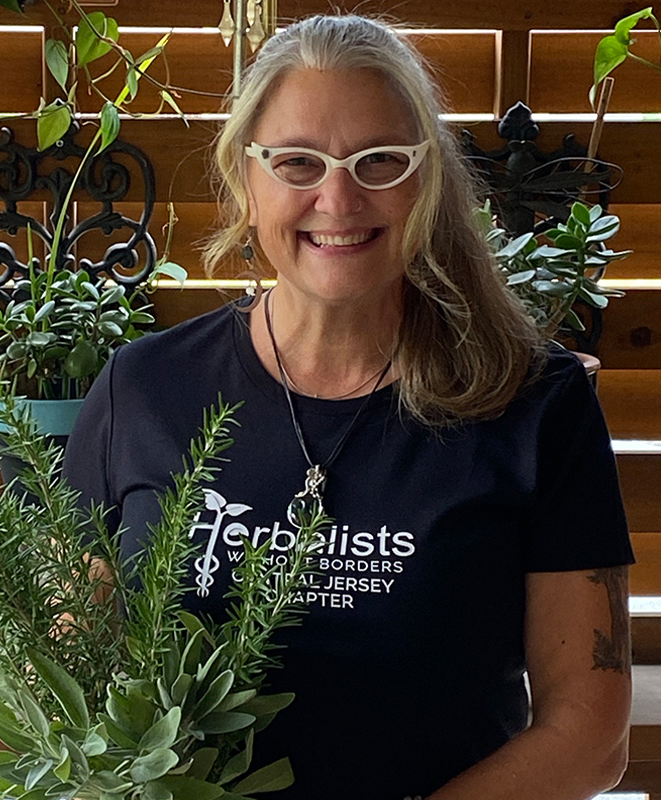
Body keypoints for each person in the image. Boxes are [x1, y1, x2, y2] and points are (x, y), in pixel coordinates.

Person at [63, 14, 634, 800]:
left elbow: (590, 735)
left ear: (428, 179)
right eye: (298, 162)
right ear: (245, 175)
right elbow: (68, 666)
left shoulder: (536, 402)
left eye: (380, 161)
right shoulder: (143, 389)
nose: (337, 197)